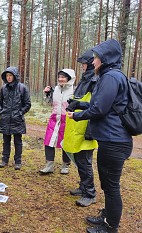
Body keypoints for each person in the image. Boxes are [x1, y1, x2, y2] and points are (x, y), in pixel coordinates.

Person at [67, 39, 133, 233]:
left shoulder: (111, 77)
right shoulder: (110, 76)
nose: (93, 61)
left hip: (114, 141)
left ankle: (110, 227)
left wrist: (77, 116)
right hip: (111, 139)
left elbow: (100, 109)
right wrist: (79, 104)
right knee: (107, 184)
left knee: (112, 187)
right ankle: (106, 216)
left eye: (96, 58)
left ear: (105, 58)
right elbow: (102, 104)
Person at [64, 49, 98, 207]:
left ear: (90, 64)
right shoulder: (86, 79)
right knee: (78, 158)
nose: (82, 66)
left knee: (84, 160)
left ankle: (90, 193)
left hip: (86, 127)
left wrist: (77, 104)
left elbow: (95, 104)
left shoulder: (95, 80)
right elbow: (80, 99)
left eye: (84, 64)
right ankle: (83, 186)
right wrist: (73, 101)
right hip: (77, 125)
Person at [39, 69, 75, 175]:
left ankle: (65, 165)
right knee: (49, 141)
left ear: (68, 78)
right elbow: (49, 103)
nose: (61, 79)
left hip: (67, 119)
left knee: (65, 143)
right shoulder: (56, 90)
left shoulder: (74, 90)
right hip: (54, 119)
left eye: (63, 77)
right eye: (59, 77)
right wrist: (46, 94)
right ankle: (49, 165)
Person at [0, 66, 31, 170]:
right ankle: (4, 159)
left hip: (17, 119)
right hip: (5, 118)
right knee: (5, 140)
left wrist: (20, 113)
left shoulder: (22, 88)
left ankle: (18, 161)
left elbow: (28, 104)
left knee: (18, 141)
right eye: (7, 75)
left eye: (10, 75)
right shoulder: (3, 88)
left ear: (15, 76)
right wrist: (2, 112)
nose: (8, 77)